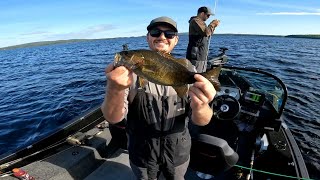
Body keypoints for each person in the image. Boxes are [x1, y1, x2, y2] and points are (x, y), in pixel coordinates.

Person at [101, 16, 216, 180]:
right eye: (155, 32)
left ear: (176, 40)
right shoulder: (128, 75)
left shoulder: (187, 68)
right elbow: (113, 117)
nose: (162, 37)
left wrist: (202, 105)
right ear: (148, 37)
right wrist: (114, 88)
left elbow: (202, 121)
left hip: (178, 154)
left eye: (169, 34)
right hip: (142, 155)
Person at [186, 6, 220, 73]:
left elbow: (208, 33)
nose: (209, 17)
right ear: (202, 13)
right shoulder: (195, 20)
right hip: (196, 57)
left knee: (201, 74)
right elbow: (206, 32)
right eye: (208, 15)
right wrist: (213, 24)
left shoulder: (200, 22)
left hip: (201, 56)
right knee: (196, 76)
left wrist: (214, 26)